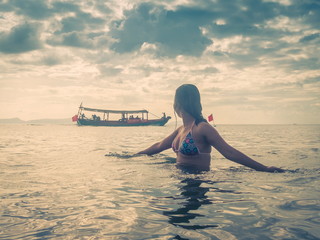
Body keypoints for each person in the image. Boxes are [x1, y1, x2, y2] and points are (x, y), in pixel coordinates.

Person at [137, 84, 284, 172]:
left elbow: (229, 152)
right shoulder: (181, 129)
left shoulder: (202, 128)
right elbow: (159, 146)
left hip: (197, 184)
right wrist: (134, 155)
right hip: (179, 180)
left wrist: (265, 169)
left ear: (178, 104)